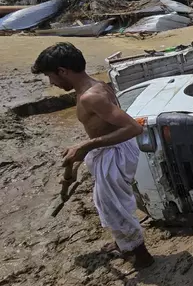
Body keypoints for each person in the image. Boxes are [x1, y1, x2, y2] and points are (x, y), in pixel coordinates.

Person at [31, 43, 154, 268]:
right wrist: (84, 152)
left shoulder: (91, 96)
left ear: (63, 71)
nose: (52, 84)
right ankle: (124, 243)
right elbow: (104, 126)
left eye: (51, 76)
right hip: (108, 150)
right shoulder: (92, 87)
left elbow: (134, 128)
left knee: (115, 206)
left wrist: (86, 145)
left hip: (115, 153)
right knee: (106, 201)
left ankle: (140, 254)